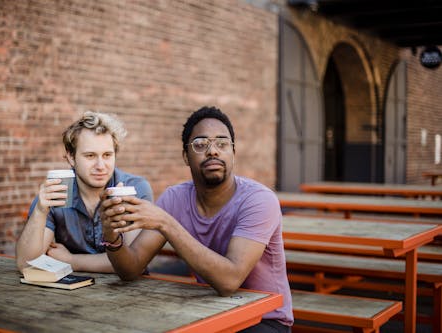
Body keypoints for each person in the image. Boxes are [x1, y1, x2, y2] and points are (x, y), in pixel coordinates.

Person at [100, 106, 293, 332]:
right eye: (200, 144)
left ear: (233, 153)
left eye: (222, 144)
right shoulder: (175, 198)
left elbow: (229, 281)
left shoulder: (259, 200)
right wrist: (111, 234)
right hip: (211, 311)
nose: (213, 151)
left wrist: (166, 223)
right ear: (186, 156)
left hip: (266, 319)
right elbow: (130, 269)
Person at [16, 111, 153, 273]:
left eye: (107, 155)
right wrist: (40, 211)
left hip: (134, 293)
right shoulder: (57, 192)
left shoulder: (135, 189)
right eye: (90, 156)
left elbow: (133, 262)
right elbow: (27, 264)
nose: (101, 165)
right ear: (71, 157)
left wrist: (72, 261)